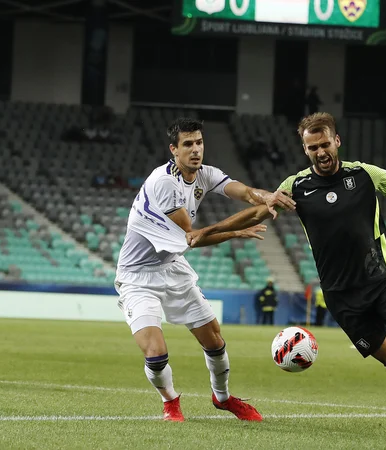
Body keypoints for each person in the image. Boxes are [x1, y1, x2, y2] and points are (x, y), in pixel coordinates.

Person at [187, 112, 386, 440]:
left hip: (381, 282)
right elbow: (256, 212)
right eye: (312, 147)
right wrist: (206, 231)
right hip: (344, 301)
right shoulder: (296, 187)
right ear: (305, 149)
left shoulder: (363, 174)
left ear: (337, 141)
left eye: (324, 144)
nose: (320, 152)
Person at [114, 117, 295, 423]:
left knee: (214, 339)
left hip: (171, 267)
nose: (195, 149)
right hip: (138, 276)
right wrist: (237, 230)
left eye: (199, 142)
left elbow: (246, 192)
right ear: (174, 149)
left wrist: (269, 197)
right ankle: (170, 401)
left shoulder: (204, 174)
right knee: (156, 353)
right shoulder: (164, 184)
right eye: (188, 144)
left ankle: (222, 398)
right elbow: (193, 237)